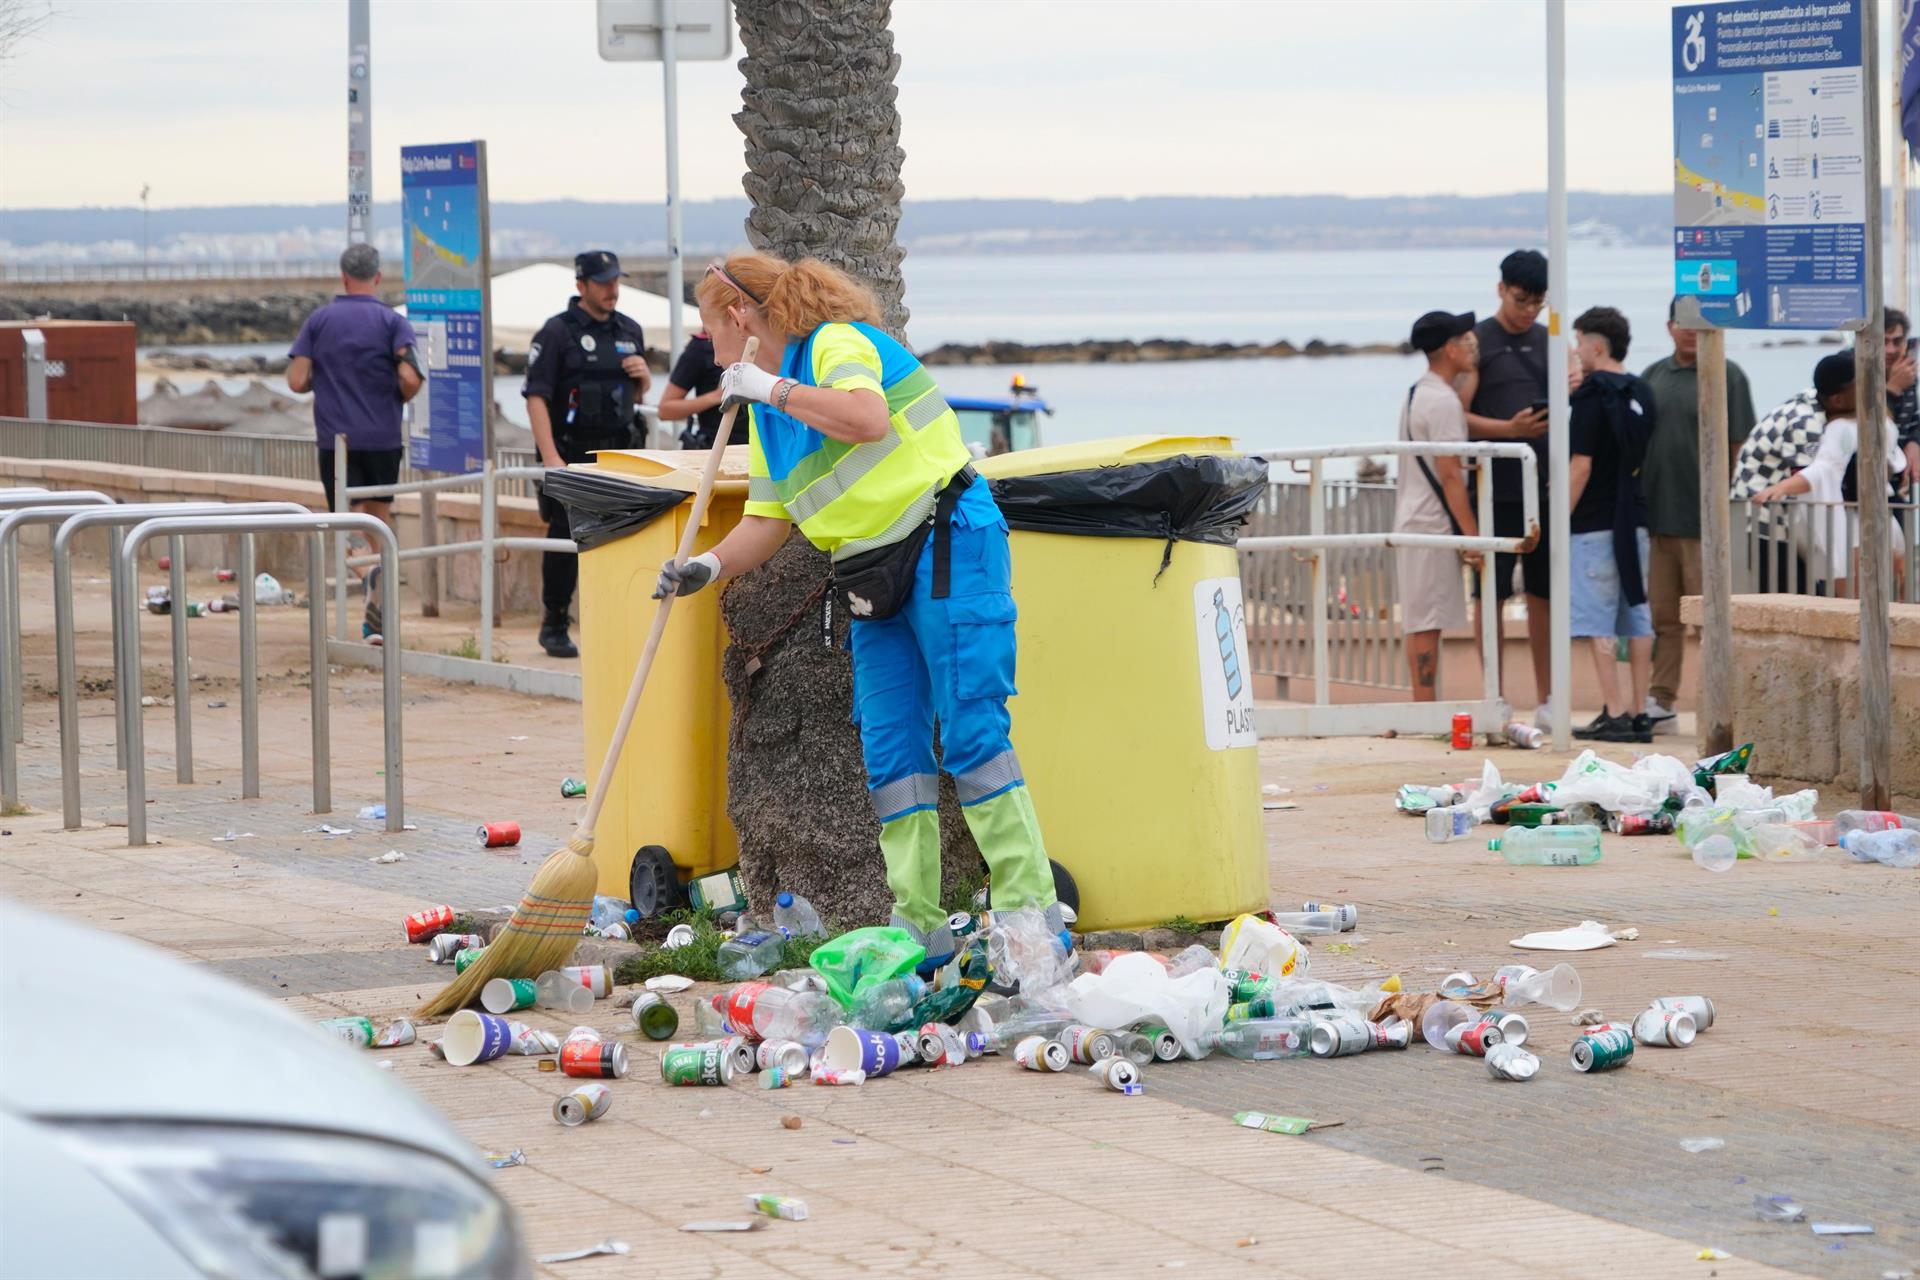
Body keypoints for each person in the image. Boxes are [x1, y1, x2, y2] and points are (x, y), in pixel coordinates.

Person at [653, 252, 1064, 970]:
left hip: (945, 540)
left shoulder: (835, 346)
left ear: (741, 318)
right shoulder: (769, 418)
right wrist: (706, 567)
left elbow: (868, 417)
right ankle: (920, 926)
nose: (704, 345)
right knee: (892, 754)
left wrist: (772, 388)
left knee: (971, 731)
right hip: (873, 575)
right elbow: (767, 522)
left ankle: (1029, 915)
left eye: (707, 326)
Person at [287, 244, 422, 644]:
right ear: (378, 277)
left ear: (343, 277)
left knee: (346, 523)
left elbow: (296, 380)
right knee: (378, 520)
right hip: (383, 438)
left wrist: (323, 378)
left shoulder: (319, 321)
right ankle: (376, 611)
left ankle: (367, 574)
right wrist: (394, 392)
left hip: (337, 443)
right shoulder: (392, 323)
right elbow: (412, 378)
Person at [523, 250, 653, 658]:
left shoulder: (630, 330)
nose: (612, 289)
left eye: (616, 281)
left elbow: (635, 397)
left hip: (619, 452)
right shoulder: (557, 333)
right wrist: (550, 460)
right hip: (570, 452)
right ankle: (555, 622)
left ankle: (613, 621)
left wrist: (645, 379)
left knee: (622, 538)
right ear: (581, 286)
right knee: (564, 537)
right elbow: (536, 397)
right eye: (603, 282)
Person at [1637, 296, 1756, 730]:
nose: (1689, 329)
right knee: (1663, 619)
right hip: (1659, 522)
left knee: (1710, 620)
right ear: (1669, 326)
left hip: (1705, 524)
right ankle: (1661, 700)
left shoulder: (1728, 374)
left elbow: (1739, 447)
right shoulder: (1652, 377)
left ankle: (1717, 700)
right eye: (1681, 321)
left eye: (1697, 321)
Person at [1457, 249, 1554, 725]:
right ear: (1501, 290)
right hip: (1494, 486)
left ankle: (1548, 698)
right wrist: (1508, 430)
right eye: (1521, 300)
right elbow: (1459, 416)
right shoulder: (1478, 341)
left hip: (1544, 486)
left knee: (1543, 592)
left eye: (1538, 302)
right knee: (1490, 594)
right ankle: (1493, 692)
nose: (1529, 311)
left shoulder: (1548, 341)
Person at [1565, 308, 1656, 743]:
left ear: (1596, 346)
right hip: (1636, 520)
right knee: (1637, 615)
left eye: (1579, 342)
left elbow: (1581, 464)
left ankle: (1614, 711)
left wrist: (1553, 516)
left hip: (1596, 524)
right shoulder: (1642, 391)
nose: (1577, 351)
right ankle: (1639, 711)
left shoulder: (1591, 396)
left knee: (1598, 621)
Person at [1753, 351, 1908, 594]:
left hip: (1867, 519)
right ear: (1837, 399)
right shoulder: (1848, 428)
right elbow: (1821, 470)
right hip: (1865, 520)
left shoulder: (1869, 422)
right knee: (1870, 596)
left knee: (1868, 597)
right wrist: (1779, 488)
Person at [1393, 310, 1482, 700]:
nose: (1473, 345)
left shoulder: (1418, 393)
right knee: (1427, 621)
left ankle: (1423, 705)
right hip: (1431, 523)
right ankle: (1425, 707)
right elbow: (1450, 474)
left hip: (1413, 516)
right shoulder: (1443, 403)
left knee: (1419, 619)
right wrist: (1472, 535)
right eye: (1466, 340)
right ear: (1449, 349)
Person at [1731, 382, 1827, 593]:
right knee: (1790, 597)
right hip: (1768, 522)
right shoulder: (1806, 421)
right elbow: (1806, 480)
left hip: (1760, 518)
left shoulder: (1803, 407)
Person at [656, 329, 737, 450]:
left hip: (757, 449)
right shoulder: (700, 348)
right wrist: (717, 396)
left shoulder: (761, 344)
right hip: (713, 448)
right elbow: (665, 410)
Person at [1881, 309, 1919, 497]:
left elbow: (1914, 418)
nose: (1891, 350)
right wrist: (1893, 388)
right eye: (1884, 341)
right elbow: (1861, 426)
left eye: (1897, 341)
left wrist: (1915, 442)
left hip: (1899, 482)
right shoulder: (1851, 370)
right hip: (1866, 483)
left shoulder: (1906, 370)